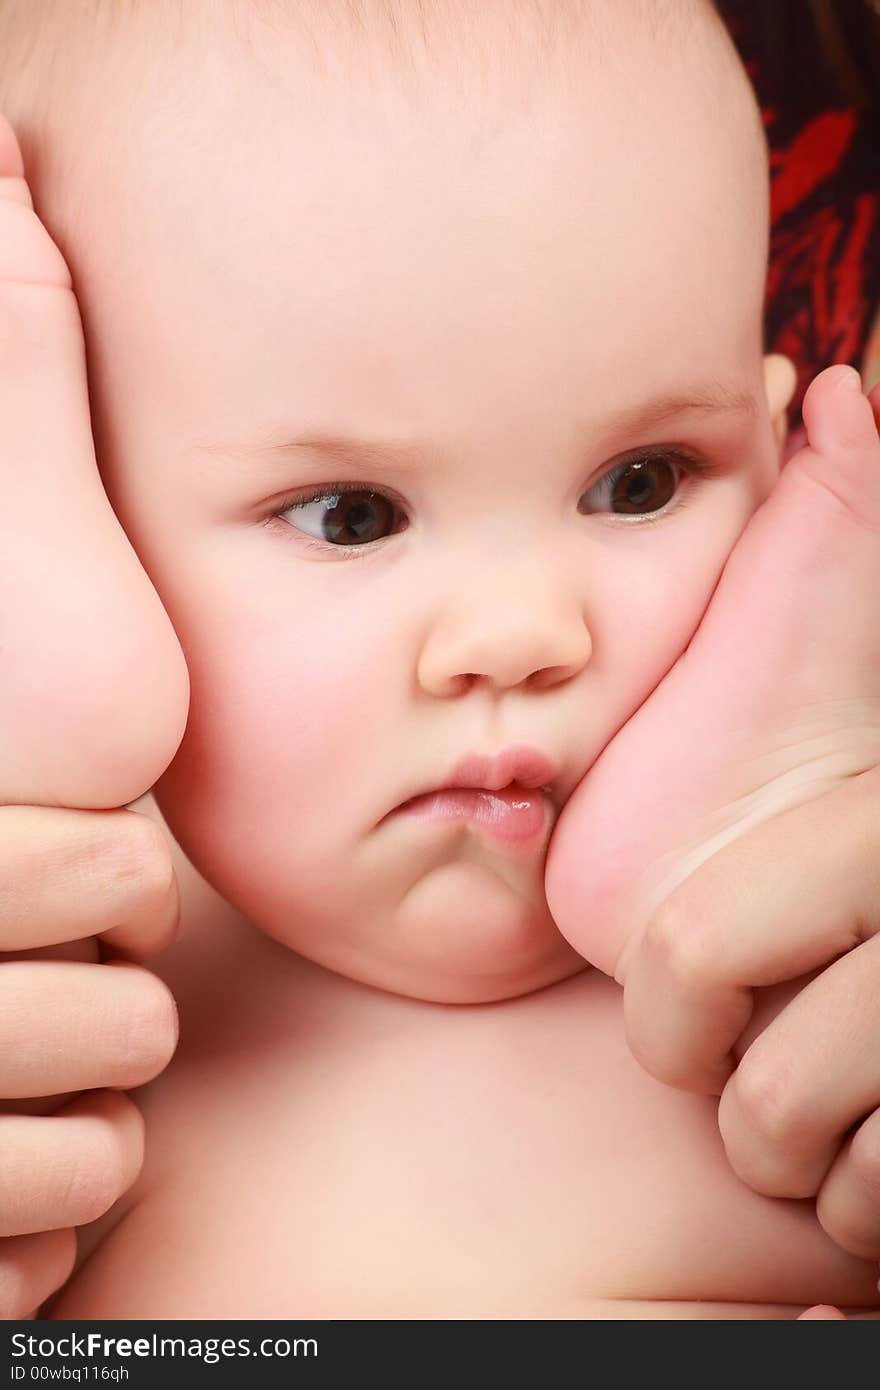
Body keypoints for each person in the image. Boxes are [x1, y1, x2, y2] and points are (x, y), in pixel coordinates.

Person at [0, 0, 879, 1319]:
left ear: (775, 457)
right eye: (350, 515)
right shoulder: (75, 1008)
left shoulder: (823, 970)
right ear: (95, 511)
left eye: (641, 484)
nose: (524, 633)